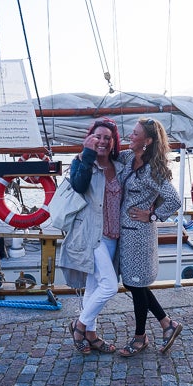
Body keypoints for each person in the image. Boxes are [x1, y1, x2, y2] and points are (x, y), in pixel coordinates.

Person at [117, 117, 183, 357]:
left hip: (140, 236)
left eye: (135, 134)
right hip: (126, 235)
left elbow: (174, 200)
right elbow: (107, 159)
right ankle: (167, 323)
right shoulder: (128, 158)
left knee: (136, 286)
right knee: (132, 284)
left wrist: (153, 215)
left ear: (147, 141)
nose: (130, 136)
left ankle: (140, 337)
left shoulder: (151, 171)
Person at [60, 117, 124, 354]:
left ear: (113, 142)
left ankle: (91, 334)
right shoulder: (81, 161)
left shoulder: (120, 166)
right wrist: (87, 154)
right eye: (98, 136)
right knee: (109, 286)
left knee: (93, 286)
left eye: (108, 138)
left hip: (112, 235)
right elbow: (79, 186)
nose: (103, 141)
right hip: (91, 234)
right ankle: (79, 326)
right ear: (90, 138)